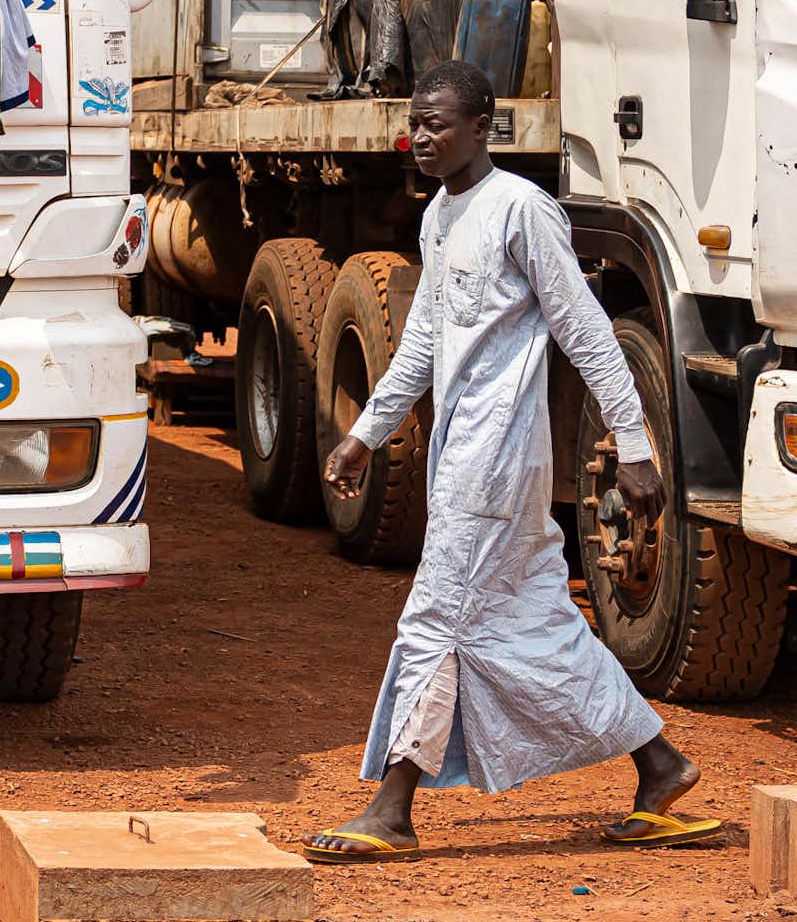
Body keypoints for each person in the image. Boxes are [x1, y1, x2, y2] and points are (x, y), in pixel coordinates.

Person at [307, 59, 718, 861]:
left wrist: (635, 445)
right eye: (417, 123)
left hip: (498, 460)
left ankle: (392, 809)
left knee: (434, 620)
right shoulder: (439, 216)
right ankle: (660, 764)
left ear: (481, 127)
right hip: (461, 452)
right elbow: (422, 340)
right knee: (539, 624)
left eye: (438, 124)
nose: (421, 136)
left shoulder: (522, 210)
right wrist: (367, 433)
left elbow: (587, 330)